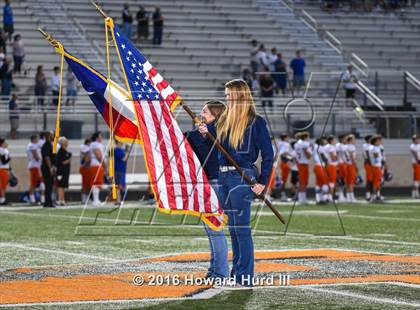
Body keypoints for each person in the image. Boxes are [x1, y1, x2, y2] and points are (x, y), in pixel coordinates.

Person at [201, 79, 273, 286]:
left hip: (242, 177)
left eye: (228, 95)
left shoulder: (256, 122)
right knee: (232, 228)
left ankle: (245, 276)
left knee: (241, 229)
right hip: (223, 177)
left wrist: (262, 182)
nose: (226, 99)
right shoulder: (224, 120)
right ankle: (236, 273)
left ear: (239, 95)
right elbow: (218, 145)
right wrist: (208, 133)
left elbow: (268, 155)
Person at [190, 100, 229, 280]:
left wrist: (209, 132)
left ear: (215, 116)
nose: (201, 114)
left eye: (205, 112)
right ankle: (214, 270)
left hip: (216, 183)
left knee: (215, 228)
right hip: (206, 183)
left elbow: (221, 139)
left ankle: (221, 273)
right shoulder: (201, 133)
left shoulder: (222, 133)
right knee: (210, 229)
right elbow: (186, 138)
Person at [26, 134, 44, 205]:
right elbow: (36, 156)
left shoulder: (31, 145)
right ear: (34, 139)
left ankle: (35, 199)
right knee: (37, 183)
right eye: (37, 139)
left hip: (35, 166)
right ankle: (34, 199)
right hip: (34, 166)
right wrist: (42, 160)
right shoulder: (32, 145)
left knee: (36, 183)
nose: (38, 140)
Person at [295, 131, 312, 204]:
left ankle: (302, 198)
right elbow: (308, 155)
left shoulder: (297, 143)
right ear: (305, 137)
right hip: (303, 163)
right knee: (303, 182)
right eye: (308, 137)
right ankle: (302, 199)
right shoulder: (303, 144)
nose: (308, 139)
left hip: (300, 163)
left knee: (303, 182)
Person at [90, 131, 105, 206]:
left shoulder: (97, 144)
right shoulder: (95, 144)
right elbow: (98, 156)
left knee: (98, 183)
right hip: (96, 165)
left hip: (97, 165)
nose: (101, 137)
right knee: (97, 183)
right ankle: (95, 200)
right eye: (100, 136)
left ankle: (96, 200)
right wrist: (104, 164)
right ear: (97, 137)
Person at [313, 137, 329, 204]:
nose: (325, 141)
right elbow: (324, 158)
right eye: (324, 140)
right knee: (324, 182)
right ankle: (324, 199)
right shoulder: (319, 147)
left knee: (319, 183)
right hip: (320, 166)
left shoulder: (316, 146)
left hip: (317, 165)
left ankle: (318, 199)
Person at [41, 131, 55, 208]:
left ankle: (48, 201)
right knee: (48, 184)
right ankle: (48, 202)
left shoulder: (49, 144)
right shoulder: (46, 145)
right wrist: (50, 168)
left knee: (50, 185)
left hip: (48, 167)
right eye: (52, 135)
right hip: (46, 168)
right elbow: (47, 157)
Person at [56, 137, 71, 206]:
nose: (67, 143)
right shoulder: (61, 152)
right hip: (61, 171)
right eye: (65, 142)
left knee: (63, 186)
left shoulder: (65, 151)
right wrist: (68, 160)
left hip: (65, 171)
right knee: (60, 185)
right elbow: (62, 162)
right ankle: (60, 200)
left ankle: (62, 199)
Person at [344, 134, 358, 202]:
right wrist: (355, 166)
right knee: (351, 182)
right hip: (351, 165)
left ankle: (348, 197)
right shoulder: (351, 147)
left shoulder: (345, 146)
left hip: (346, 165)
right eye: (354, 139)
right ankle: (352, 197)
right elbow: (352, 157)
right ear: (350, 140)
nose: (355, 140)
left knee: (348, 182)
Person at [114, 140, 129, 204]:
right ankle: (118, 200)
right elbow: (124, 159)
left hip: (122, 170)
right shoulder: (116, 150)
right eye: (120, 142)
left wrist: (126, 151)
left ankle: (119, 199)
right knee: (119, 185)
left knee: (121, 185)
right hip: (118, 170)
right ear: (117, 143)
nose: (121, 143)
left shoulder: (121, 150)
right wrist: (127, 151)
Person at [369, 135, 384, 202]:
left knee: (377, 182)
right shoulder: (375, 148)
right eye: (378, 141)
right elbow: (376, 156)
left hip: (376, 166)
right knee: (376, 182)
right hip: (376, 166)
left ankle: (376, 195)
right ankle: (373, 196)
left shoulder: (374, 147)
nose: (379, 142)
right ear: (375, 142)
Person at [277, 133, 291, 202]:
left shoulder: (280, 143)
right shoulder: (286, 144)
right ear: (285, 138)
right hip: (285, 163)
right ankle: (282, 195)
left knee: (283, 180)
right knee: (283, 180)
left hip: (282, 163)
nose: (288, 138)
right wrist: (290, 158)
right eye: (287, 137)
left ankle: (283, 194)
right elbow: (284, 153)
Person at [325, 135, 338, 201]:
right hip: (332, 165)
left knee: (330, 181)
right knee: (332, 181)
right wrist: (337, 157)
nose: (335, 141)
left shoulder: (327, 146)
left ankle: (328, 196)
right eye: (334, 140)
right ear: (331, 140)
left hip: (328, 165)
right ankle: (330, 196)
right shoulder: (331, 147)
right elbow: (333, 158)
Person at [336, 134, 348, 202]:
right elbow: (337, 154)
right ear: (341, 139)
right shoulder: (339, 145)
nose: (346, 140)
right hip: (340, 164)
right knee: (340, 180)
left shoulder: (343, 146)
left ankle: (342, 195)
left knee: (343, 181)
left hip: (343, 164)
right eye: (345, 139)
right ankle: (339, 195)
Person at [80, 138, 91, 204]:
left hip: (87, 167)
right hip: (85, 167)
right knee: (85, 184)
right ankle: (83, 199)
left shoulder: (87, 147)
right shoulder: (84, 147)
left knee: (88, 184)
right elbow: (86, 156)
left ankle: (87, 198)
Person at [363, 135, 374, 200]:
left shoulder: (371, 146)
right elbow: (367, 155)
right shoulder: (366, 145)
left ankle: (372, 194)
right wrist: (371, 163)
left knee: (372, 179)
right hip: (368, 163)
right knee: (369, 179)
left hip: (372, 163)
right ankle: (368, 194)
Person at [410, 134, 420, 199]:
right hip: (416, 163)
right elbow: (415, 154)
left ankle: (416, 192)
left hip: (418, 163)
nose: (417, 140)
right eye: (416, 139)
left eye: (418, 138)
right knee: (417, 178)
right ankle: (414, 192)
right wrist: (418, 161)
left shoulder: (418, 145)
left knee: (417, 178)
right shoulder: (412, 146)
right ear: (413, 140)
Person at [0, 138, 10, 205]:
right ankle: (2, 200)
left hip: (4, 169)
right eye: (5, 142)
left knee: (3, 185)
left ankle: (2, 199)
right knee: (2, 185)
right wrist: (9, 159)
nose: (6, 143)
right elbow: (4, 161)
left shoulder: (4, 150)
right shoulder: (2, 150)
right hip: (2, 169)